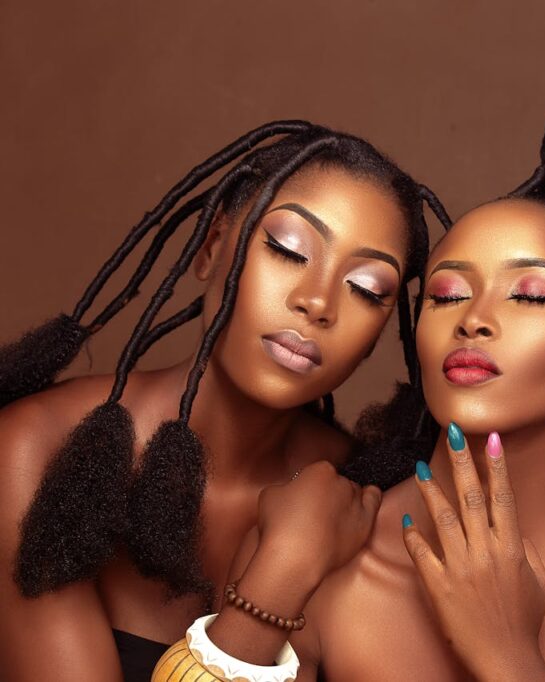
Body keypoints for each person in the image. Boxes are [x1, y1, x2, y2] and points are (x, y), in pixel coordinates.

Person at [189, 92, 545, 681]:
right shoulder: (316, 551)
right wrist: (280, 570)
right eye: (446, 295)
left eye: (529, 294)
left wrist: (507, 653)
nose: (472, 319)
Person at [0, 122, 447, 681]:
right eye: (287, 250)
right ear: (211, 251)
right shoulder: (34, 451)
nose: (317, 303)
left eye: (367, 289)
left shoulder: (358, 497)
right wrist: (279, 579)